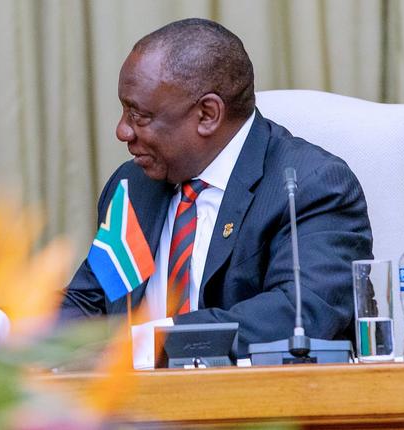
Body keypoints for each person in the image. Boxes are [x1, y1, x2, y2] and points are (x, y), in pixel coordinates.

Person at [60, 18, 372, 357]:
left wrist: (153, 343)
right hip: (133, 406)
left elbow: (300, 314)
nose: (123, 131)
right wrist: (3, 330)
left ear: (208, 114)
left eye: (139, 116)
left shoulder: (311, 186)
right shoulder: (134, 185)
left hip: (255, 404)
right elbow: (90, 301)